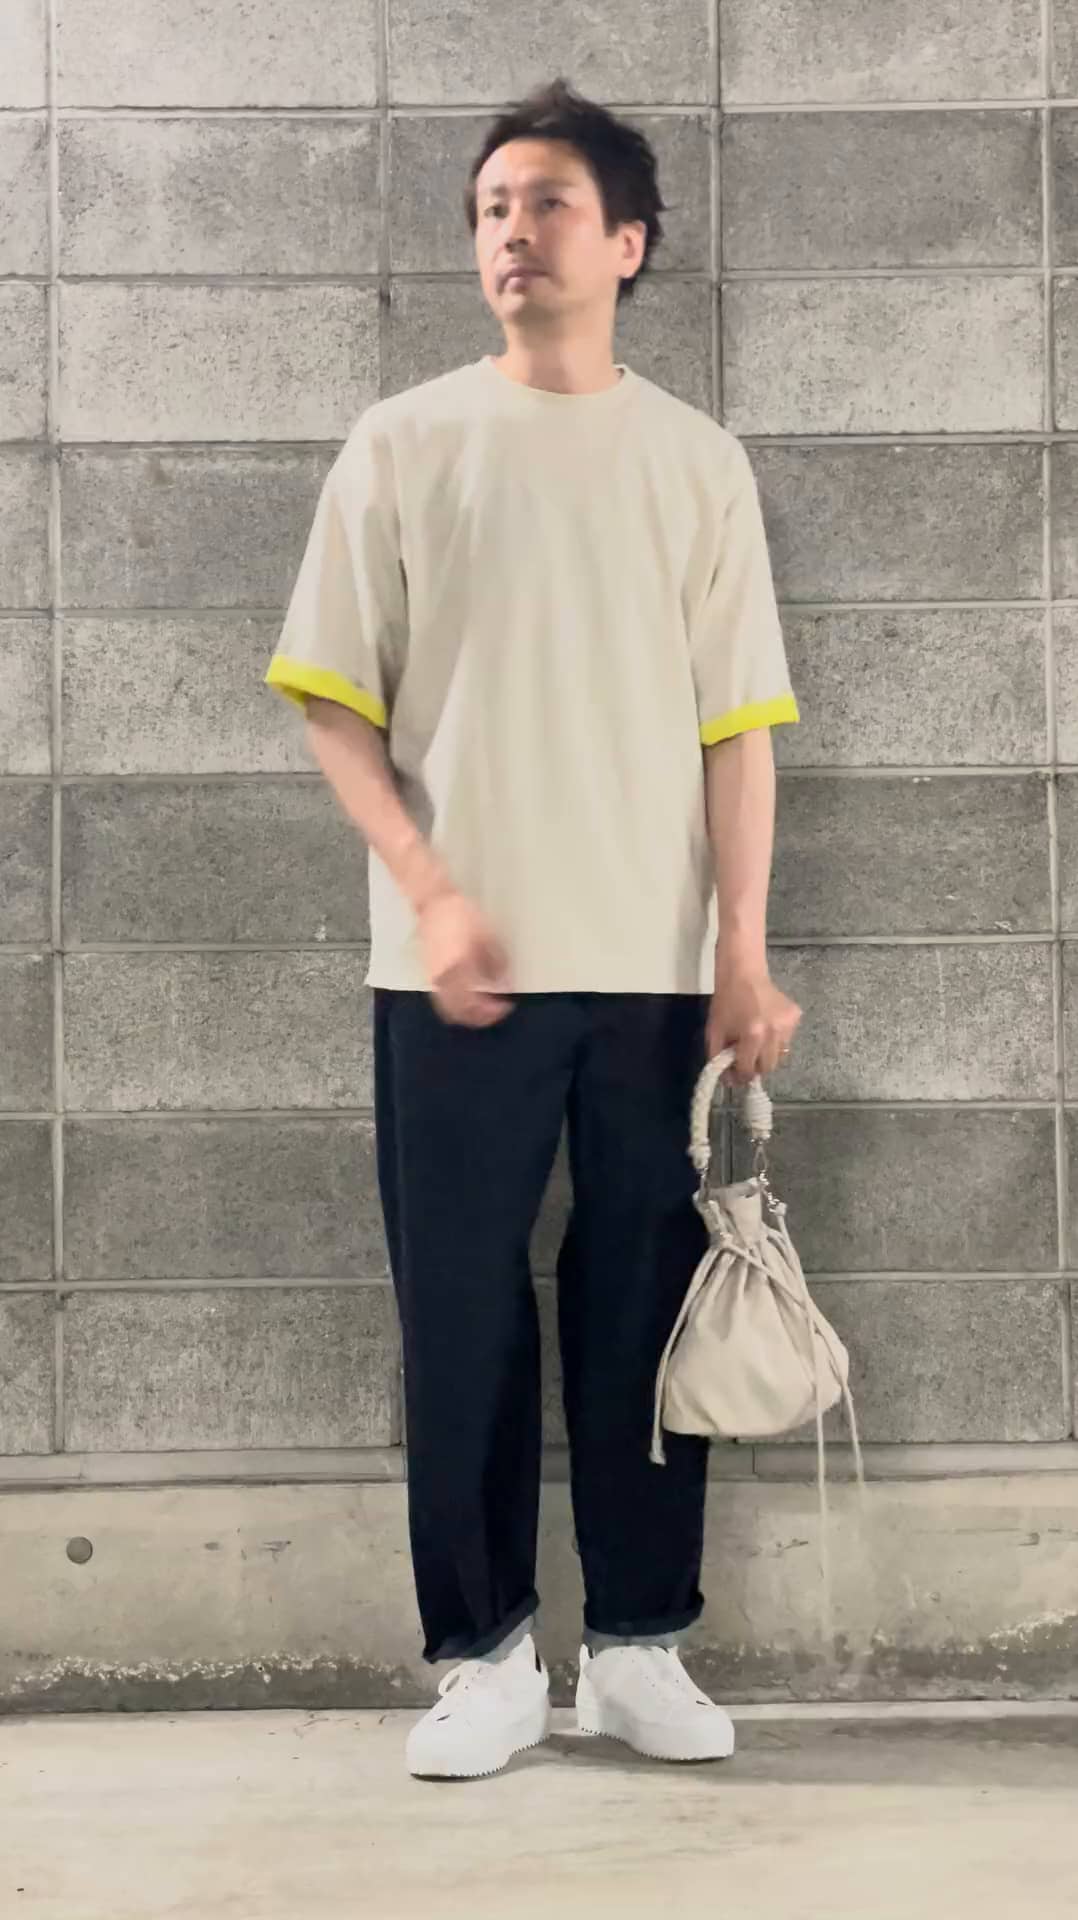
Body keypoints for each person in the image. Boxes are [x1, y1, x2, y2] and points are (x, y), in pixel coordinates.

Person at [265, 79, 801, 1780]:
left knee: (640, 1306)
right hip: (453, 978)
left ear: (625, 242)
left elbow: (738, 731)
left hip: (654, 971)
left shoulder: (694, 461)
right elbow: (333, 702)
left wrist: (741, 951)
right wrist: (430, 892)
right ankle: (483, 1656)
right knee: (462, 1314)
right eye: (493, 205)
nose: (514, 229)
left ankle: (638, 1648)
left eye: (550, 201)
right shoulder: (403, 443)